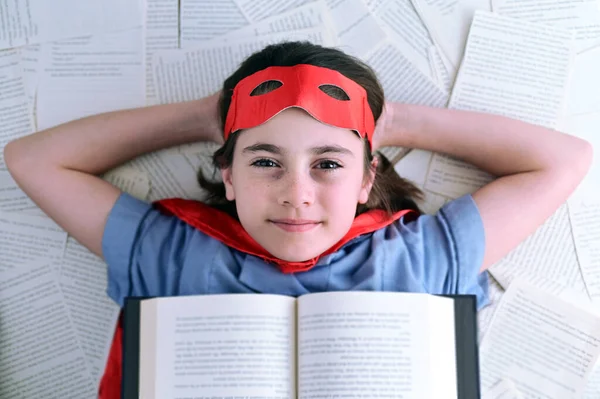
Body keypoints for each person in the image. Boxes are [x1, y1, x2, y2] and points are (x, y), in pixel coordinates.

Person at [4, 41, 592, 396]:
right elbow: (32, 160)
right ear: (228, 173)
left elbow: (564, 160)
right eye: (265, 161)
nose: (297, 194)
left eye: (328, 163)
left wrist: (390, 121)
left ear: (367, 177)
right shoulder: (170, 249)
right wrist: (207, 118)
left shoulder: (421, 255)